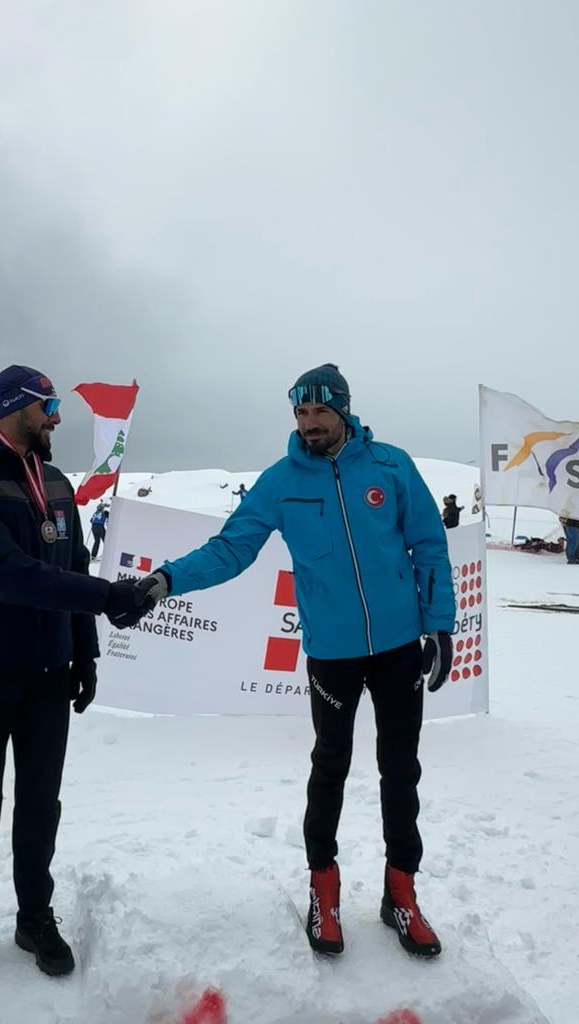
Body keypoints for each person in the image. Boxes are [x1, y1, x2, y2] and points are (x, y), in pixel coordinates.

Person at [126, 363, 455, 959]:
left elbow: (429, 544)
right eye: (301, 413)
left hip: (400, 645)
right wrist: (167, 580)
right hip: (332, 651)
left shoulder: (391, 466)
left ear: (344, 411)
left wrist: (439, 624)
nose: (309, 423)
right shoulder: (280, 482)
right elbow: (232, 548)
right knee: (330, 765)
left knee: (400, 767)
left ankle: (400, 891)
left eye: (320, 411)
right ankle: (323, 888)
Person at [0, 365, 153, 994]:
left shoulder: (55, 482)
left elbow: (72, 564)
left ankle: (34, 919)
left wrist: (85, 653)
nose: (57, 417)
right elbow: (6, 574)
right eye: (49, 406)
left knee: (39, 805)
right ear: (15, 408)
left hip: (49, 676)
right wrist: (108, 598)